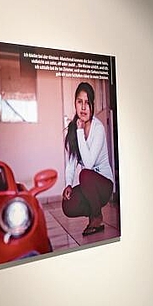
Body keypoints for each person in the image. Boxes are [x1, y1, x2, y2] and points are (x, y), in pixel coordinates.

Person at [62, 82, 114, 236]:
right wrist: (68, 184)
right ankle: (93, 214)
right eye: (80, 102)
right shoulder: (73, 129)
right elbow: (71, 163)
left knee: (84, 174)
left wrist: (79, 132)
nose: (83, 108)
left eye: (87, 102)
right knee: (67, 205)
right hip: (89, 186)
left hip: (104, 185)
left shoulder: (98, 128)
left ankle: (97, 217)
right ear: (75, 104)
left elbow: (89, 164)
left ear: (92, 105)